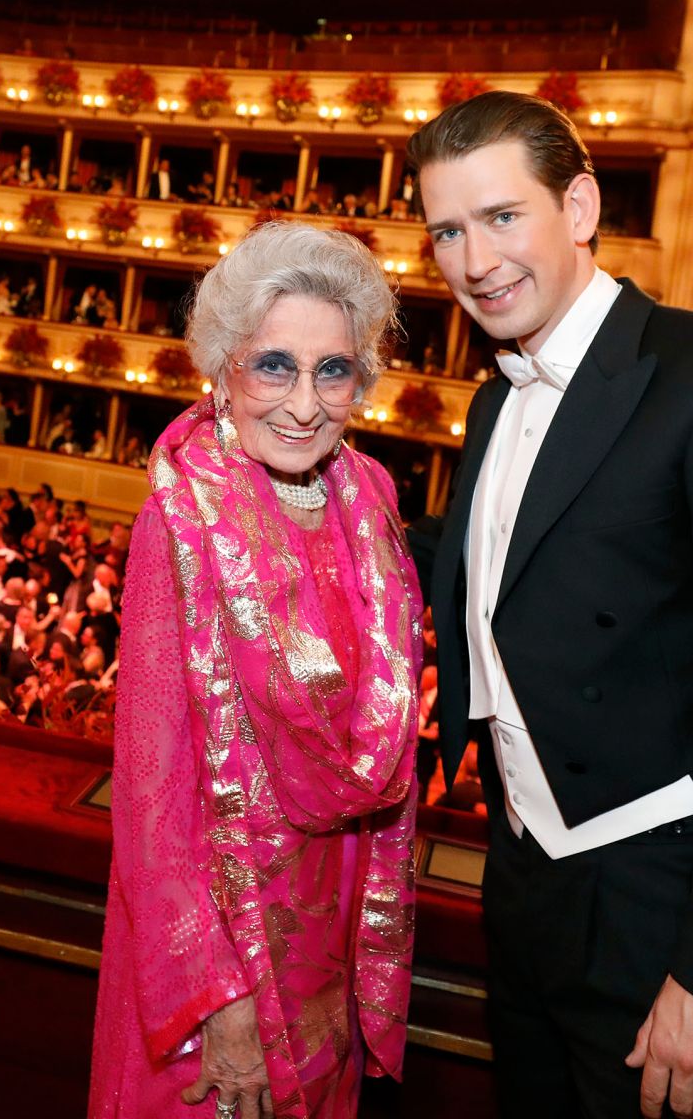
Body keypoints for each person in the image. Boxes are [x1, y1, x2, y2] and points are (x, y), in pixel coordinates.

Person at [405, 92, 693, 1117]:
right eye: (445, 231)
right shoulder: (492, 397)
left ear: (578, 207)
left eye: (499, 217)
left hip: (674, 922)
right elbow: (497, 574)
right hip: (525, 895)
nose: (473, 261)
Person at [90, 222, 421, 1119]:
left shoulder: (373, 498)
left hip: (334, 928)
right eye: (274, 365)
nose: (305, 403)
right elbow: (152, 786)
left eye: (334, 370)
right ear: (224, 368)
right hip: (215, 947)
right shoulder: (182, 516)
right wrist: (217, 1002)